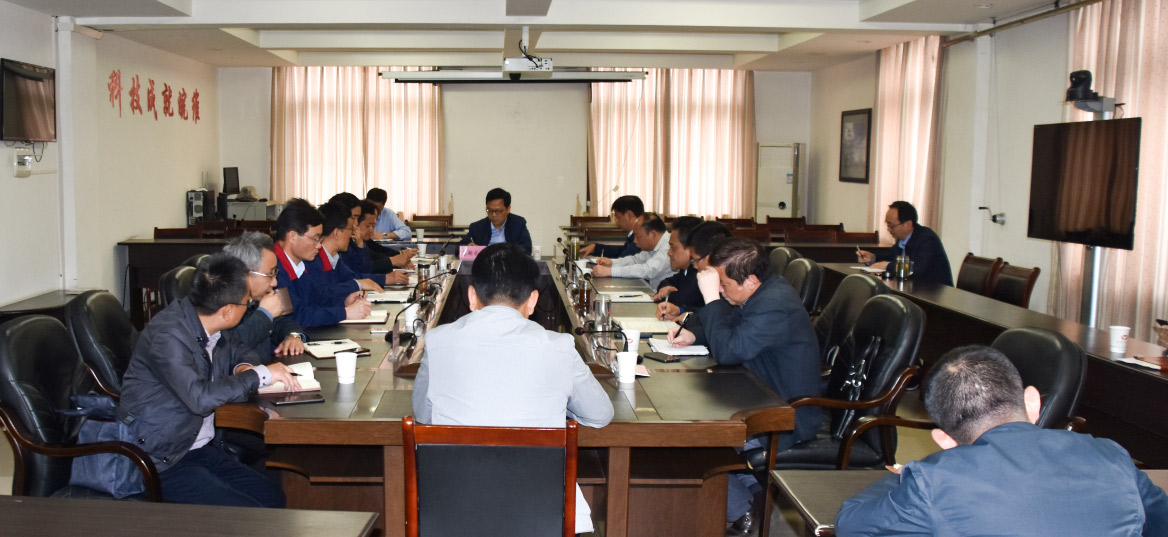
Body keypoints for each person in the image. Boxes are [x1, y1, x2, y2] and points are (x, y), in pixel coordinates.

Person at [835, 345, 1168, 536]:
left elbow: (851, 524)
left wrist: (902, 476)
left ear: (944, 440)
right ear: (1033, 402)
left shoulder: (934, 481)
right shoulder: (1112, 455)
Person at [412, 242, 614, 534]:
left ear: (472, 296)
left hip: (453, 510)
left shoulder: (437, 341)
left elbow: (423, 415)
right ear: (533, 301)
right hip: (539, 514)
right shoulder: (558, 346)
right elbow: (600, 414)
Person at [119, 253, 302, 507]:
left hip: (199, 448)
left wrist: (244, 367)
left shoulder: (207, 318)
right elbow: (200, 398)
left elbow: (240, 349)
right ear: (227, 311)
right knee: (250, 513)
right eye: (247, 303)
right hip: (163, 459)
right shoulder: (167, 336)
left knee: (272, 497)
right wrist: (259, 375)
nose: (249, 305)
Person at [667, 237, 821, 534]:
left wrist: (711, 299)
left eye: (723, 284)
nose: (720, 290)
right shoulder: (760, 293)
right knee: (687, 423)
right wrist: (695, 335)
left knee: (687, 437)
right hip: (755, 395)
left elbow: (729, 350)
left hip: (785, 414)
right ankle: (756, 497)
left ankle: (743, 511)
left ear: (750, 280)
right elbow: (731, 325)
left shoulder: (774, 305)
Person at [274, 198, 371, 328]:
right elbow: (295, 317)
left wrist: (344, 302)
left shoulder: (300, 265)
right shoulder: (274, 270)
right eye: (315, 239)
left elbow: (316, 299)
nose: (319, 246)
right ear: (292, 236)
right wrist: (344, 313)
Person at [221, 231, 306, 361]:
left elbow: (280, 323)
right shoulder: (220, 304)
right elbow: (228, 347)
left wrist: (293, 336)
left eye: (275, 274)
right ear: (245, 274)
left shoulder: (253, 300)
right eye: (270, 274)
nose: (274, 282)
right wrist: (265, 314)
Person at [856, 200, 953, 286]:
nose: (888, 229)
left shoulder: (927, 238)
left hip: (934, 294)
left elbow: (917, 269)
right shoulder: (902, 239)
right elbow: (891, 256)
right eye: (887, 224)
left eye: (891, 226)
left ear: (908, 224)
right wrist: (873, 258)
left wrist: (887, 266)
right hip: (913, 289)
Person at [656, 220, 732, 321]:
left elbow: (723, 320)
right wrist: (681, 311)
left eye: (695, 260)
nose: (695, 266)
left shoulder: (732, 284)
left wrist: (687, 317)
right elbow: (705, 312)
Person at [591, 212, 672, 288]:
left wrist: (611, 271)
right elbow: (636, 260)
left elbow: (647, 270)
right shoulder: (655, 244)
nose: (635, 241)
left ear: (652, 234)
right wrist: (612, 263)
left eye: (638, 236)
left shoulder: (668, 246)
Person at [344, 200, 414, 276]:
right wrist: (393, 261)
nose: (372, 230)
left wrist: (400, 257)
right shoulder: (347, 243)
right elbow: (361, 270)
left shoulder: (363, 240)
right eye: (368, 225)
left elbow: (377, 253)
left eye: (373, 225)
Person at [651, 216, 704, 313]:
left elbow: (679, 300)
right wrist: (666, 288)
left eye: (673, 247)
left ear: (691, 248)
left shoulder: (699, 273)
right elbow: (667, 281)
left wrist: (668, 293)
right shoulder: (686, 270)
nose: (669, 253)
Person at [460, 187, 533, 255]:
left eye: (498, 211)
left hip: (510, 263)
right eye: (490, 210)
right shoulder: (477, 227)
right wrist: (468, 247)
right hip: (485, 263)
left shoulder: (518, 224)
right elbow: (458, 248)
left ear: (508, 209)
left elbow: (526, 249)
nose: (494, 215)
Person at [579, 195, 645, 258]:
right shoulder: (636, 234)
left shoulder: (641, 237)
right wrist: (595, 248)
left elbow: (623, 260)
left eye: (618, 217)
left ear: (629, 215)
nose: (616, 221)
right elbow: (621, 251)